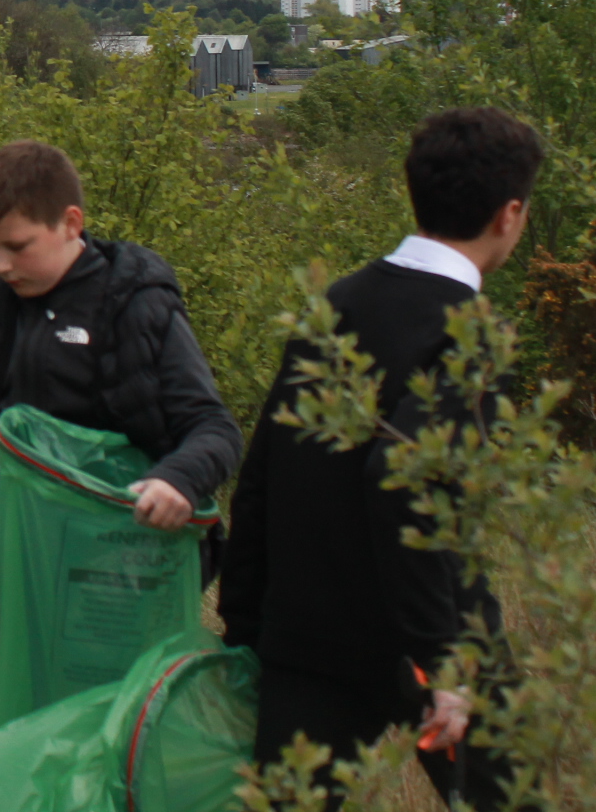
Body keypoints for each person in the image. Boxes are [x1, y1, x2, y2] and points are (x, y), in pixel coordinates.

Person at [220, 106, 544, 810]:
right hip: (432, 637)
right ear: (510, 214)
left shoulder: (336, 305)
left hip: (309, 639)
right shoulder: (473, 335)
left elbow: (262, 477)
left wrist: (245, 630)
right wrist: (443, 658)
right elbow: (405, 483)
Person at [0, 140, 243, 739]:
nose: (1, 265)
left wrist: (177, 479)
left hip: (116, 591)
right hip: (11, 587)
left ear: (71, 223)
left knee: (103, 755)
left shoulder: (136, 307)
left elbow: (214, 429)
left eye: (17, 247)